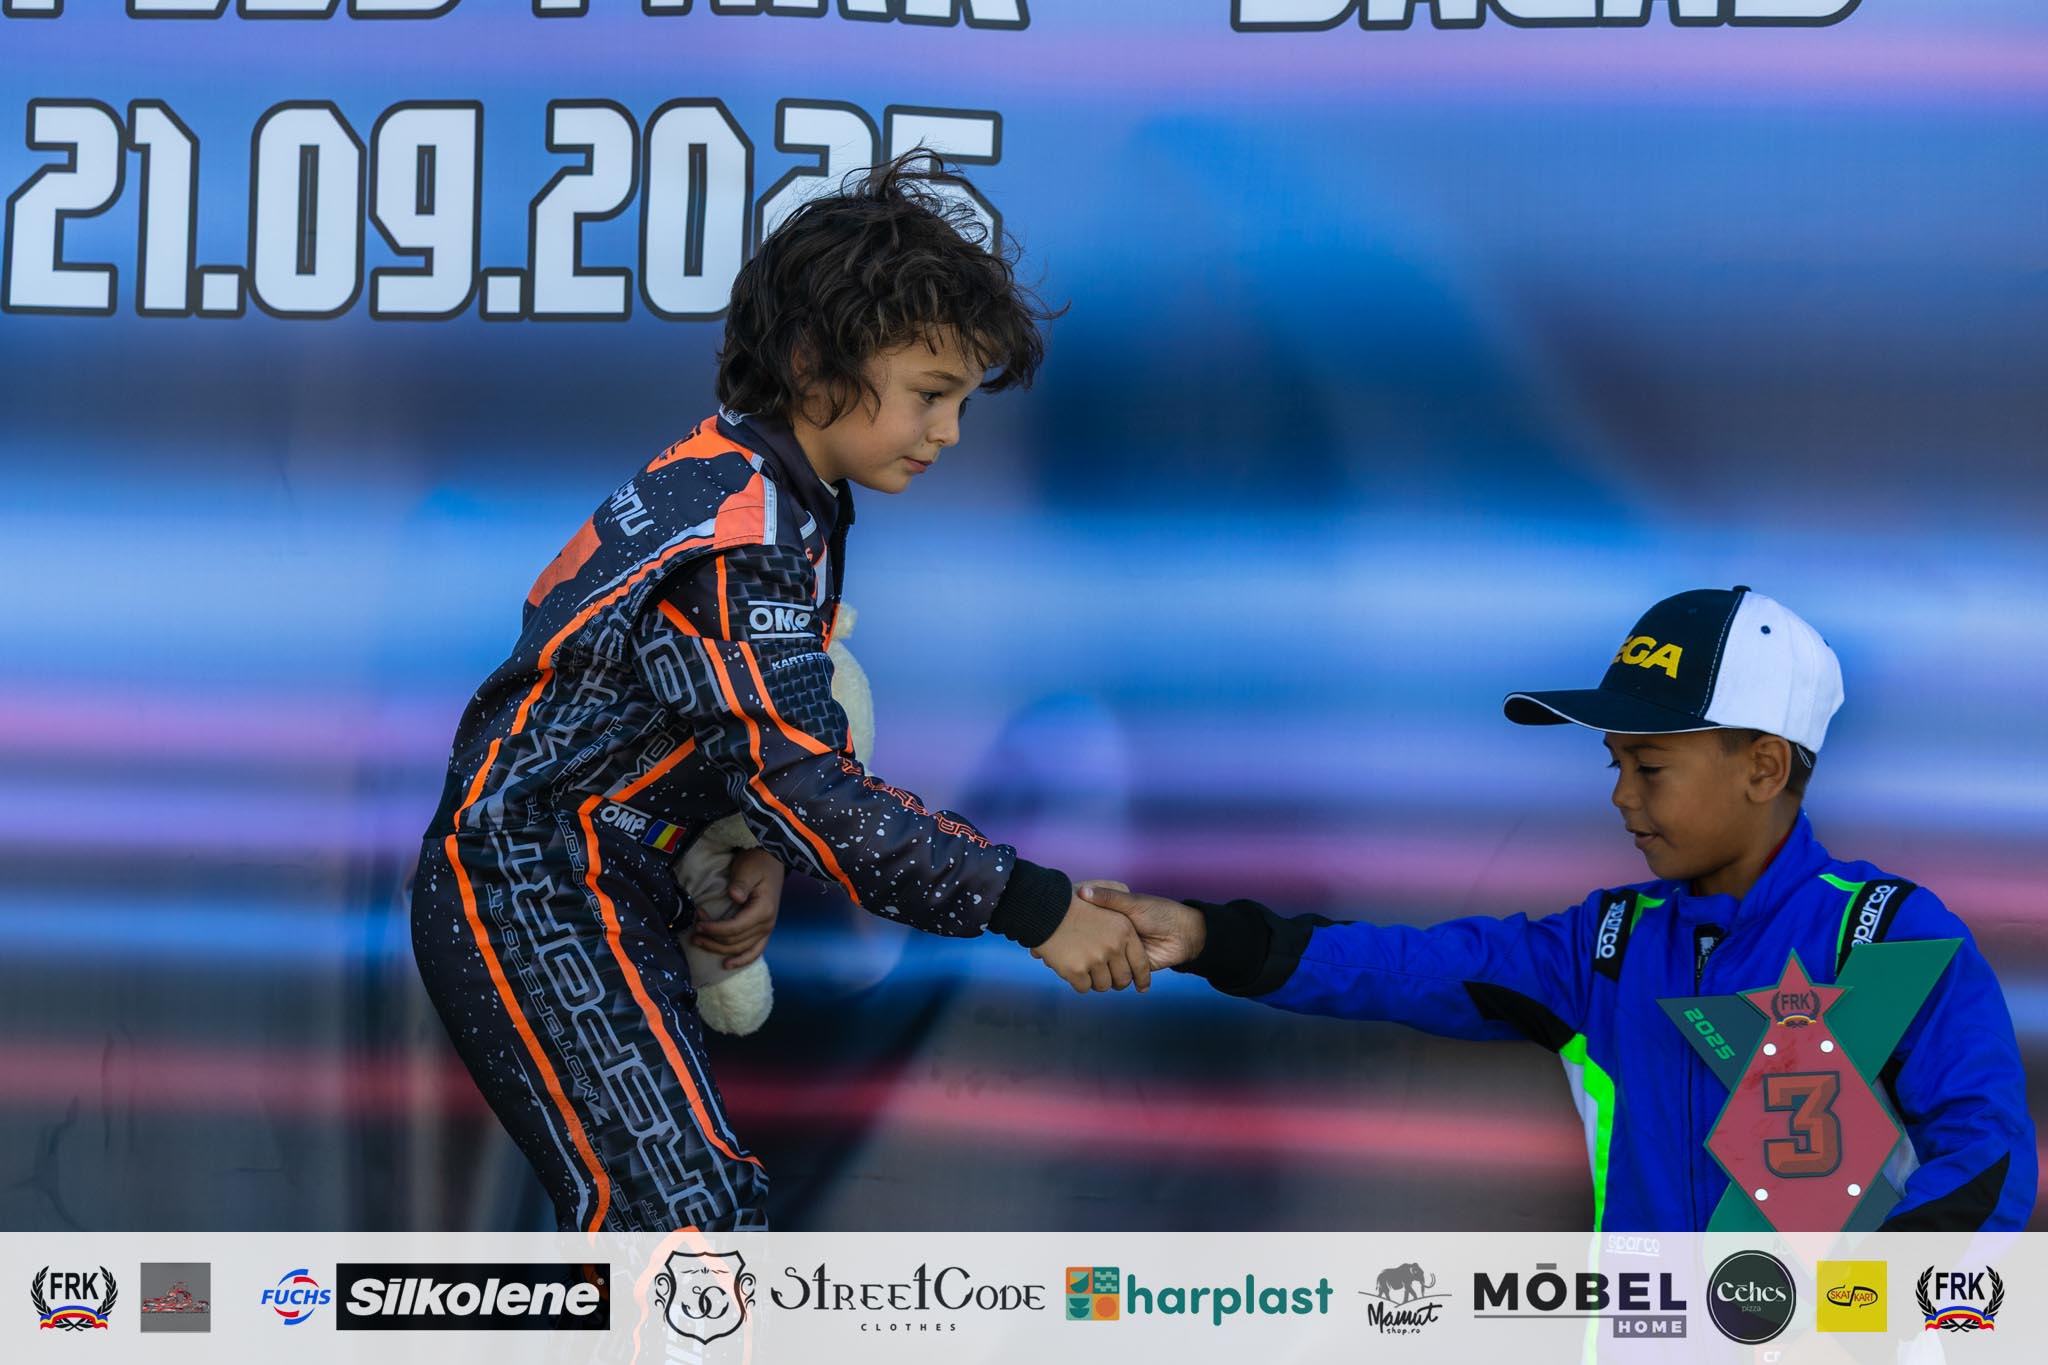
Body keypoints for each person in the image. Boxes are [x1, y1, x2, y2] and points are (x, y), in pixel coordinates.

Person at [410, 151, 1147, 1234]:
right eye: (930, 395)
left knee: (682, 1221)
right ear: (811, 361)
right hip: (530, 881)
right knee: (686, 1224)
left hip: (599, 873)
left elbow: (725, 732)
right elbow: (805, 784)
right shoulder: (744, 531)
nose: (949, 431)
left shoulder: (762, 486)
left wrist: (744, 847)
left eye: (961, 402)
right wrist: (1034, 907)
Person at [1081, 586, 2036, 1231]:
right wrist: (1207, 936)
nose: (1620, 795)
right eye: (1613, 762)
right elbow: (1411, 967)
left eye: (1649, 766)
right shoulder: (1608, 945)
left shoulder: (1886, 935)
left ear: (1763, 766)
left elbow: (1988, 1166)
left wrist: (1856, 1322)